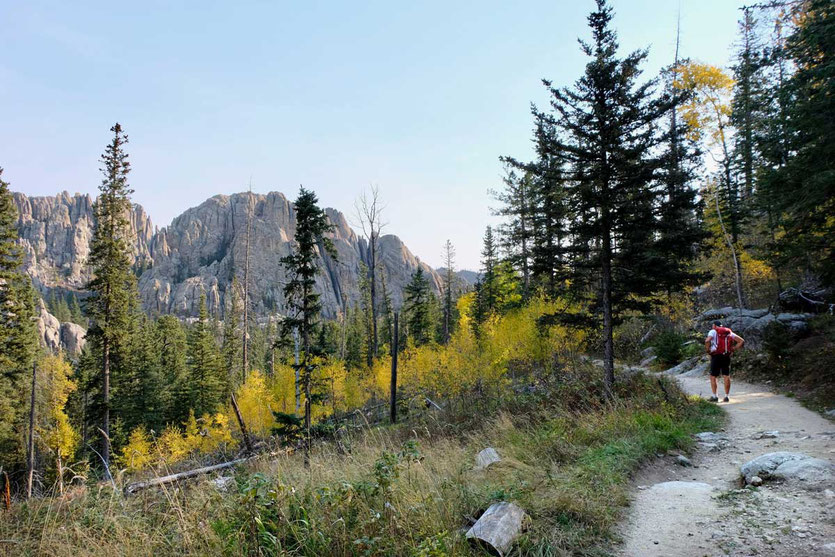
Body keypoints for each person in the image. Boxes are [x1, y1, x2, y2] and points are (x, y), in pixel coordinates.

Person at [704, 320, 744, 402]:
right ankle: (726, 396)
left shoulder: (713, 331)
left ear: (714, 325)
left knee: (713, 376)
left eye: (713, 325)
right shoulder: (728, 332)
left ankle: (715, 397)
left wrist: (708, 350)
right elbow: (741, 341)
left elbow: (707, 341)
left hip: (716, 355)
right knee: (726, 375)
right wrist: (733, 349)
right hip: (726, 356)